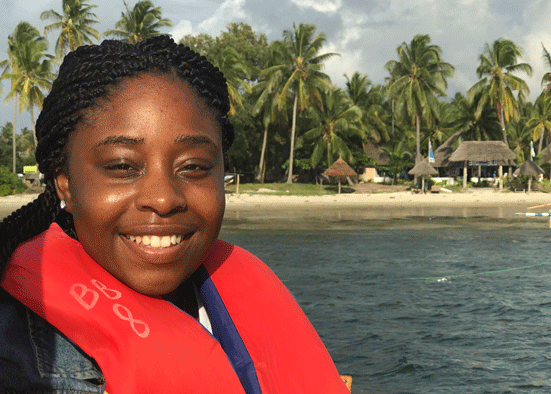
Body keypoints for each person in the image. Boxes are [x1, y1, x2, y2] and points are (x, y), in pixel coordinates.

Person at [0, 36, 349, 393]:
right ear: (65, 184)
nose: (163, 199)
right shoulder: (24, 359)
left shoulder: (238, 291)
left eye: (194, 166)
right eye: (122, 166)